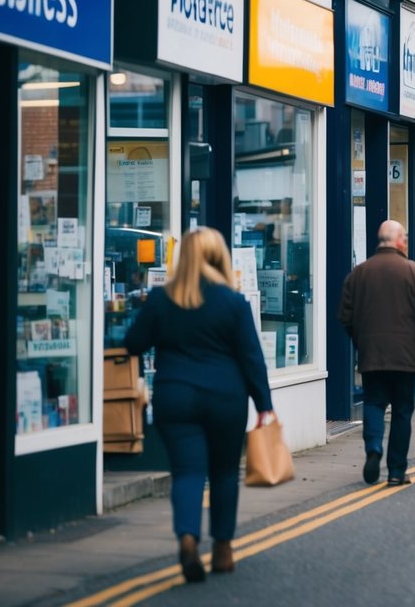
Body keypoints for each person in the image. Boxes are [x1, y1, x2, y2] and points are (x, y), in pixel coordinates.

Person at [124, 227, 274, 582]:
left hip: (176, 397)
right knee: (223, 473)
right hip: (225, 399)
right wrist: (264, 403)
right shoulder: (233, 302)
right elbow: (252, 358)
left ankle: (188, 539)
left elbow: (133, 343)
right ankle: (222, 549)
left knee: (188, 472)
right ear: (219, 258)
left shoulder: (162, 299)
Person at [338, 220, 415, 487]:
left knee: (374, 403)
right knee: (401, 410)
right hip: (406, 356)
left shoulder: (359, 273)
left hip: (372, 354)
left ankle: (374, 447)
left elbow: (345, 316)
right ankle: (397, 470)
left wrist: (362, 340)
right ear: (400, 241)